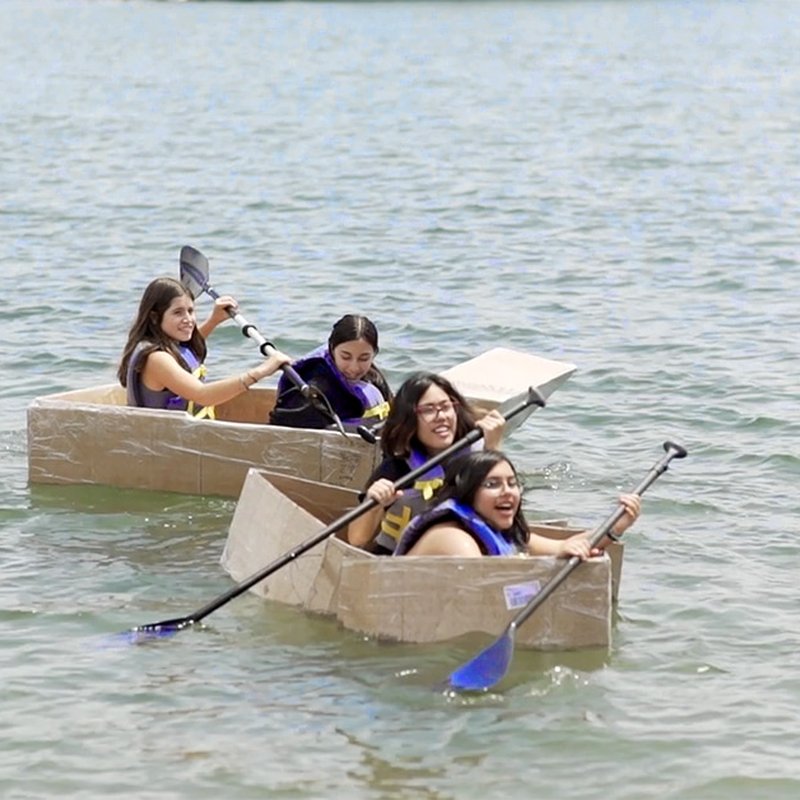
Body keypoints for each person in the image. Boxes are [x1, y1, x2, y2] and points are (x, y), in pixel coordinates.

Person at [347, 371, 506, 554]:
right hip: (400, 560)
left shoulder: (478, 454)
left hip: (465, 555)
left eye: (446, 406)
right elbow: (356, 539)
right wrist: (375, 504)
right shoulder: (397, 468)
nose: (441, 416)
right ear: (410, 419)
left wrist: (494, 449)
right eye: (429, 410)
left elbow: (505, 511)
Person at [394, 449, 642, 558]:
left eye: (512, 483)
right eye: (492, 485)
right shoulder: (452, 536)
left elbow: (564, 546)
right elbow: (489, 584)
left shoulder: (493, 529)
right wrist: (556, 563)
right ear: (467, 493)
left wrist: (618, 525)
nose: (508, 492)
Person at [118, 277, 290, 417]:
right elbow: (204, 395)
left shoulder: (171, 347)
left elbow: (188, 351)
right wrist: (264, 370)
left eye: (191, 311)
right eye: (178, 312)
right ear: (154, 317)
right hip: (159, 444)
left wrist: (214, 320)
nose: (188, 319)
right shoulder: (157, 359)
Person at [269, 314, 392, 431]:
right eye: (346, 357)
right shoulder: (315, 389)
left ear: (374, 353)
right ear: (332, 350)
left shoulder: (373, 379)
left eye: (363, 358)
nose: (354, 367)